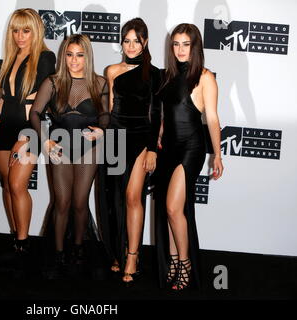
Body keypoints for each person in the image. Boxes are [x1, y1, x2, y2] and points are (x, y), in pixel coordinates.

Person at [30, 34, 109, 278]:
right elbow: (35, 114)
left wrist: (102, 130)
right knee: (62, 203)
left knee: (79, 203)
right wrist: (45, 140)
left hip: (89, 149)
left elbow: (106, 115)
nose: (74, 61)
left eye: (79, 55)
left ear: (87, 57)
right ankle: (59, 252)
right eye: (69, 54)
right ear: (64, 56)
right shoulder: (52, 83)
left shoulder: (100, 83)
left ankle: (78, 249)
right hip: (60, 149)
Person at [155, 23, 223, 290]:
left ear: (196, 47)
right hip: (168, 148)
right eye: (176, 44)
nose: (180, 50)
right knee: (171, 210)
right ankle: (173, 262)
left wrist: (217, 154)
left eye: (186, 44)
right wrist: (160, 133)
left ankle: (185, 263)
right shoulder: (168, 76)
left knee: (173, 207)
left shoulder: (205, 77)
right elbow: (166, 112)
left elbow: (213, 118)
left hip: (191, 149)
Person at [0, 8, 56, 254]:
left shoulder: (45, 58)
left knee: (17, 185)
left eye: (26, 30)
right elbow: (8, 95)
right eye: (16, 30)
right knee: (7, 184)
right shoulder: (11, 56)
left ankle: (24, 243)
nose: (20, 36)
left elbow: (44, 101)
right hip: (3, 127)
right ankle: (16, 237)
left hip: (29, 130)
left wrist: (28, 136)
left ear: (36, 31)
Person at [99, 18, 161, 285]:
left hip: (140, 140)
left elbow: (156, 113)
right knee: (114, 199)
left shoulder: (155, 73)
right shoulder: (112, 70)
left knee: (133, 196)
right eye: (127, 40)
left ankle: (133, 257)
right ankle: (117, 250)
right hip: (114, 137)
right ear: (122, 42)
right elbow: (110, 108)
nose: (131, 46)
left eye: (137, 40)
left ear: (145, 42)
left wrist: (152, 149)